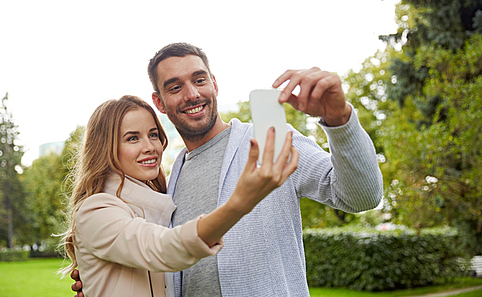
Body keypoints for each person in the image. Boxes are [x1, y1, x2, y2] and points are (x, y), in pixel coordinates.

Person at [72, 42, 383, 296]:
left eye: (199, 79)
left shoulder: (266, 141)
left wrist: (340, 120)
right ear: (160, 102)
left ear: (214, 84)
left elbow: (361, 197)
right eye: (175, 86)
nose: (192, 94)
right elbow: (159, 250)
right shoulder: (170, 178)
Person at [61, 95, 298, 297]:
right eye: (132, 138)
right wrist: (239, 203)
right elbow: (163, 248)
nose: (150, 147)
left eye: (153, 134)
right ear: (105, 147)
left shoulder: (160, 200)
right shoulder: (97, 210)